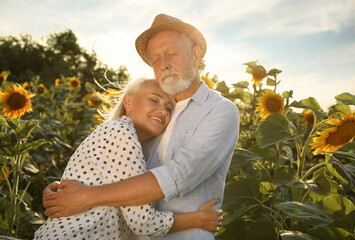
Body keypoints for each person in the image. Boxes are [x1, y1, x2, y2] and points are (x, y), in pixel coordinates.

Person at [43, 14, 240, 240]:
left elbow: (176, 177)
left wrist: (86, 196)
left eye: (171, 54)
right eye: (155, 59)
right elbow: (111, 170)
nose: (163, 64)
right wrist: (62, 189)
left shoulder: (219, 110)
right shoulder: (150, 116)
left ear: (196, 54)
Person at [34, 78, 222, 240]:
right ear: (128, 102)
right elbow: (142, 222)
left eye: (168, 107)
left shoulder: (124, 137)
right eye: (154, 100)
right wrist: (199, 219)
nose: (163, 111)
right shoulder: (121, 133)